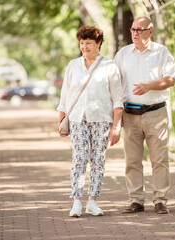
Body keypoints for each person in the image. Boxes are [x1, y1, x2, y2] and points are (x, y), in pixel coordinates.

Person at [114, 17, 175, 214]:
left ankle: (160, 200)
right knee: (132, 160)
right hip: (130, 114)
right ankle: (136, 200)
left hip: (156, 113)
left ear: (150, 31)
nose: (135, 33)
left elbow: (171, 79)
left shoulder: (161, 52)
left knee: (159, 159)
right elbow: (115, 85)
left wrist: (149, 85)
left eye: (140, 30)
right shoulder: (123, 54)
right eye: (133, 29)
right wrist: (117, 117)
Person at [57, 26, 123, 217]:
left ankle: (93, 201)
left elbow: (118, 98)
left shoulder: (109, 66)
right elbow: (65, 94)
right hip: (78, 118)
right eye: (82, 43)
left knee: (98, 160)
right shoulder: (73, 65)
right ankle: (76, 201)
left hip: (102, 119)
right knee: (79, 158)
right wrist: (61, 118)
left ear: (99, 44)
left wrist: (117, 126)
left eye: (89, 43)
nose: (84, 47)